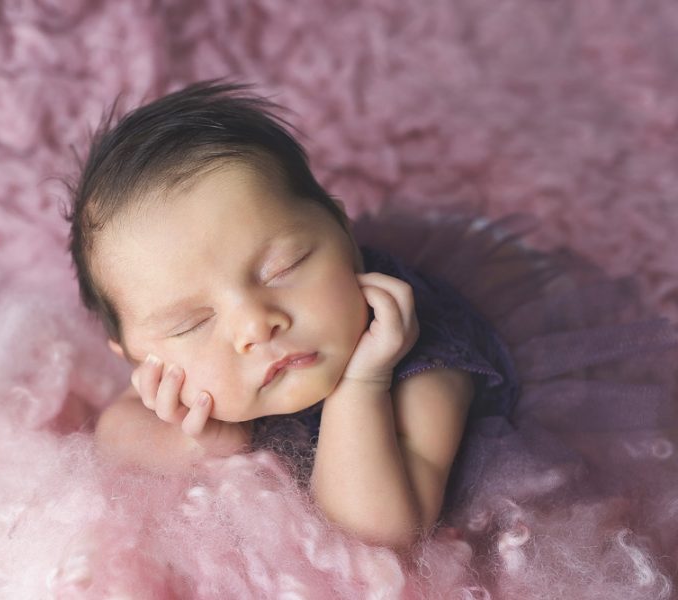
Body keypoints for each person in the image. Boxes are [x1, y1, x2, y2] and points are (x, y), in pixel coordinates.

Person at [63, 81, 618, 550]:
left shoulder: (427, 360)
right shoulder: (182, 375)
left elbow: (381, 528)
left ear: (342, 231)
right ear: (136, 354)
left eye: (285, 266)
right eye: (191, 323)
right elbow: (113, 430)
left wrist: (362, 382)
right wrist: (198, 444)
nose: (256, 324)